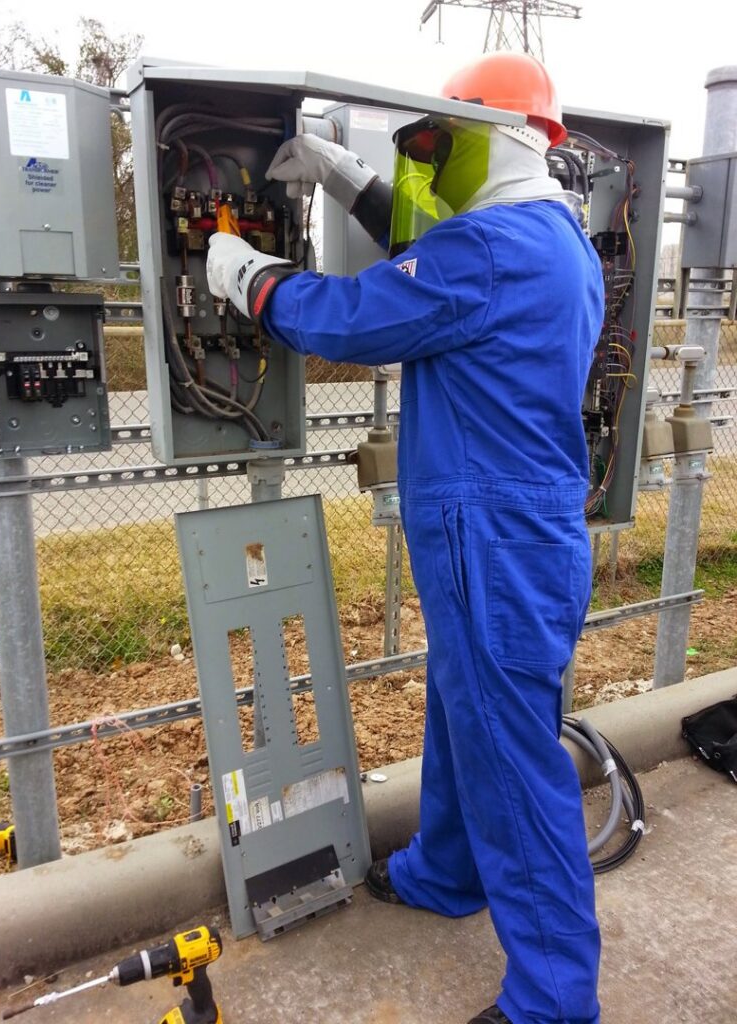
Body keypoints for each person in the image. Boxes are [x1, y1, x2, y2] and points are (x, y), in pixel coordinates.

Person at [207, 51, 604, 1024]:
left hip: (493, 540)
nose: (426, 160)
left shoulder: (494, 251)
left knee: (512, 755)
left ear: (491, 138)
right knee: (469, 713)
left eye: (435, 140)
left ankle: (554, 997)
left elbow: (356, 313)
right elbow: (435, 259)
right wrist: (344, 177)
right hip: (518, 533)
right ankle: (447, 870)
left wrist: (249, 278)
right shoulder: (554, 239)